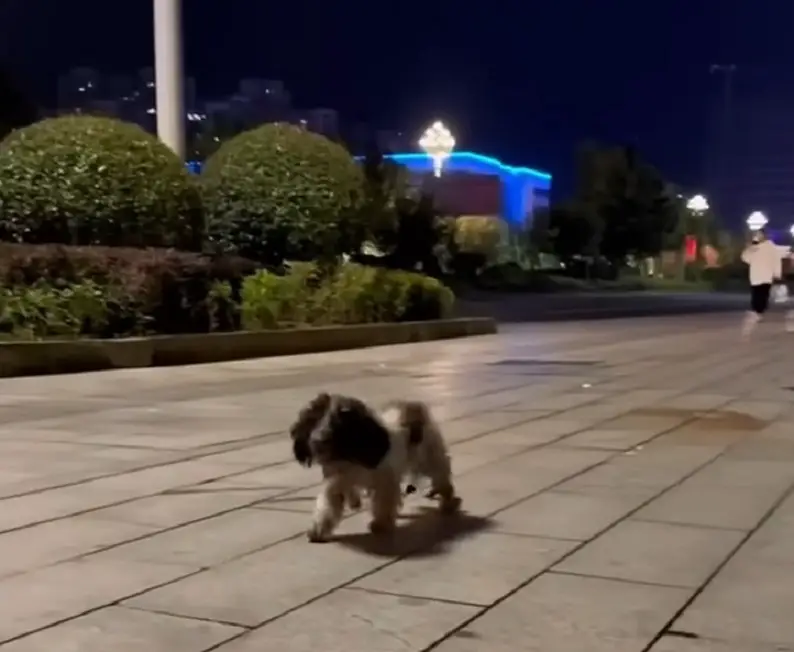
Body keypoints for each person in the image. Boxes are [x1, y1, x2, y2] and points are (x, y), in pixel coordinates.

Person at [740, 228, 783, 339]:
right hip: (756, 278)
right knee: (758, 304)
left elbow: (776, 261)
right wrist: (749, 247)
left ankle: (752, 319)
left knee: (760, 304)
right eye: (756, 235)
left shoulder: (771, 248)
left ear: (764, 236)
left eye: (759, 235)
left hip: (765, 278)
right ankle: (751, 322)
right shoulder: (755, 248)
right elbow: (745, 258)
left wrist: (777, 273)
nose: (757, 237)